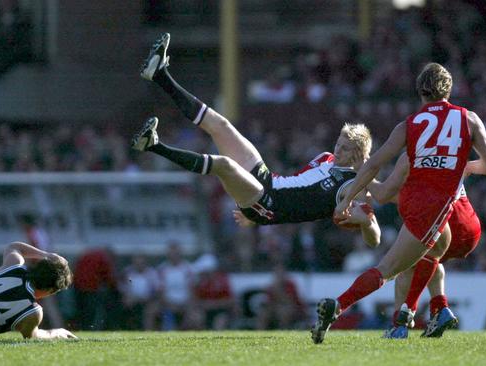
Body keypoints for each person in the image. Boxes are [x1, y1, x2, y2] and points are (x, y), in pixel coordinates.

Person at [311, 62, 486, 344]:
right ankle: (439, 308)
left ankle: (358, 311)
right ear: (449, 89)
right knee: (422, 257)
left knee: (395, 269)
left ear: (420, 92)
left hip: (435, 211)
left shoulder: (410, 129)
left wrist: (348, 198)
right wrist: (466, 167)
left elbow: (377, 171)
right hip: (455, 218)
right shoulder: (468, 119)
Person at [133, 33, 380, 246]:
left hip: (267, 202)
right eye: (338, 142)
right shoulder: (326, 158)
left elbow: (374, 238)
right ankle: (159, 75)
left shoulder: (354, 186)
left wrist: (368, 224)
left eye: (345, 149)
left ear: (357, 155)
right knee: (220, 125)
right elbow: (299, 191)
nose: (337, 149)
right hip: (266, 182)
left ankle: (154, 145)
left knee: (224, 165)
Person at [370, 153, 484, 338]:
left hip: (445, 222)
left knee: (405, 266)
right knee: (431, 261)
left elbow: (387, 195)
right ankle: (441, 309)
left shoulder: (413, 156)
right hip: (470, 225)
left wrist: (363, 178)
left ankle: (399, 325)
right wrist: (469, 167)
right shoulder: (447, 151)